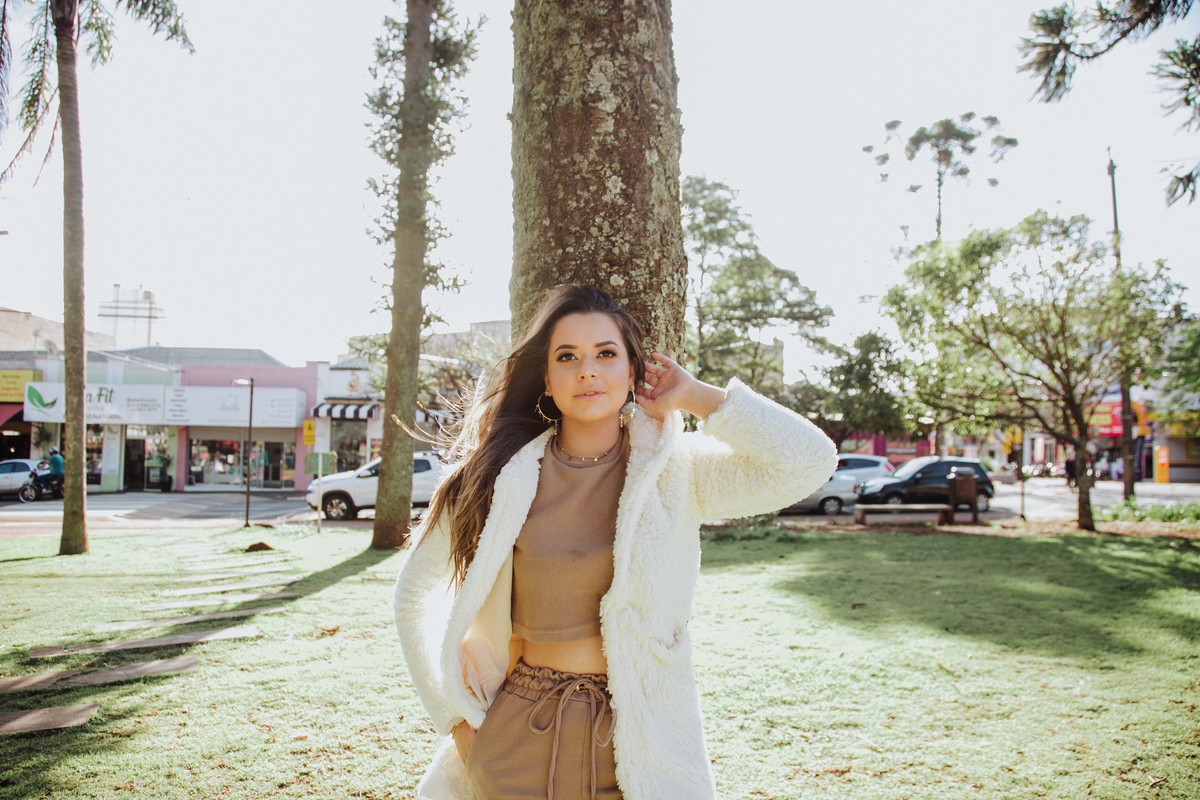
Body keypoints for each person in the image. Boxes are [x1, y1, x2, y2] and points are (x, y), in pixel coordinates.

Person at [393, 285, 836, 800]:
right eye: (567, 357)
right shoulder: (497, 477)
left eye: (606, 354)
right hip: (518, 735)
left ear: (632, 372)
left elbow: (809, 462)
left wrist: (695, 395)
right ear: (547, 378)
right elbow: (412, 596)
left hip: (643, 739)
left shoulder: (677, 472)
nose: (587, 371)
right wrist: (456, 724)